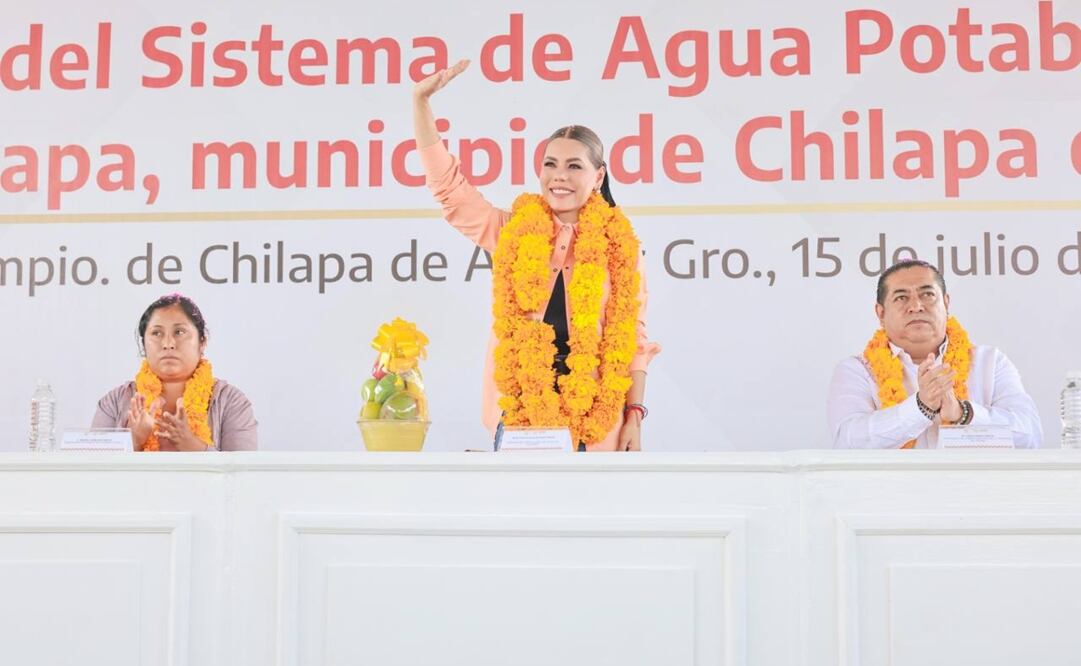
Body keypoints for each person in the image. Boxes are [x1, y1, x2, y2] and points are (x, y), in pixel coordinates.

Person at [413, 59, 660, 451]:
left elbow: (634, 342)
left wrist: (635, 417)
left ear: (598, 177)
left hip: (598, 427)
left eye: (574, 166)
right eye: (550, 164)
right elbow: (450, 191)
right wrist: (420, 103)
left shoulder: (622, 250)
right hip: (520, 419)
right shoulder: (514, 231)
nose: (558, 176)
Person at [828, 259, 1042, 449]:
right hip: (893, 493)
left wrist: (963, 413)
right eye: (901, 297)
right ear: (881, 313)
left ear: (946, 303)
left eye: (927, 294)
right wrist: (920, 407)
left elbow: (1030, 435)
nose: (916, 306)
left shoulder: (990, 362)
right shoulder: (857, 370)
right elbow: (848, 442)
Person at [92, 294, 258, 451]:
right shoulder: (114, 402)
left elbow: (244, 474)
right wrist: (133, 441)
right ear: (144, 344)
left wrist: (193, 446)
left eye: (179, 332)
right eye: (156, 333)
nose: (168, 343)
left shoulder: (231, 402)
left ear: (202, 342)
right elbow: (90, 471)